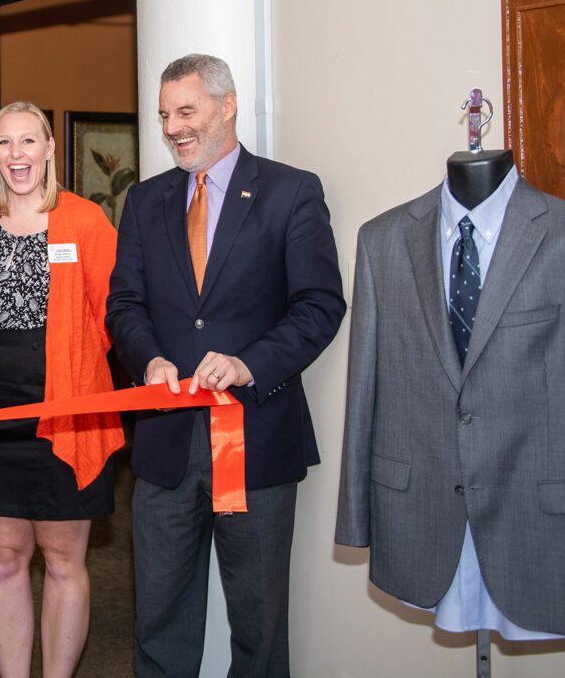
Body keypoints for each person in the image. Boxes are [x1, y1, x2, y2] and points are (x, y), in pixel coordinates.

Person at [106, 54, 345, 676]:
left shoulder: (291, 191)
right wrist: (149, 359)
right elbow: (124, 304)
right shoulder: (144, 200)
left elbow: (320, 305)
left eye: (187, 111)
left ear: (228, 105)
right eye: (164, 115)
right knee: (158, 618)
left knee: (258, 624)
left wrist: (248, 364)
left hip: (257, 441)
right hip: (164, 446)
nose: (173, 128)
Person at [336, 147, 565, 639]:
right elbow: (363, 387)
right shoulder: (383, 240)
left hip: (534, 512)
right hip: (419, 509)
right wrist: (355, 514)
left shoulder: (558, 231)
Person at [0, 101, 124, 677]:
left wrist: (64, 365)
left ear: (50, 149)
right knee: (1, 560)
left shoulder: (85, 221)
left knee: (65, 559)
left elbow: (108, 315)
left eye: (28, 142)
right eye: (4, 143)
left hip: (65, 408)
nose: (16, 155)